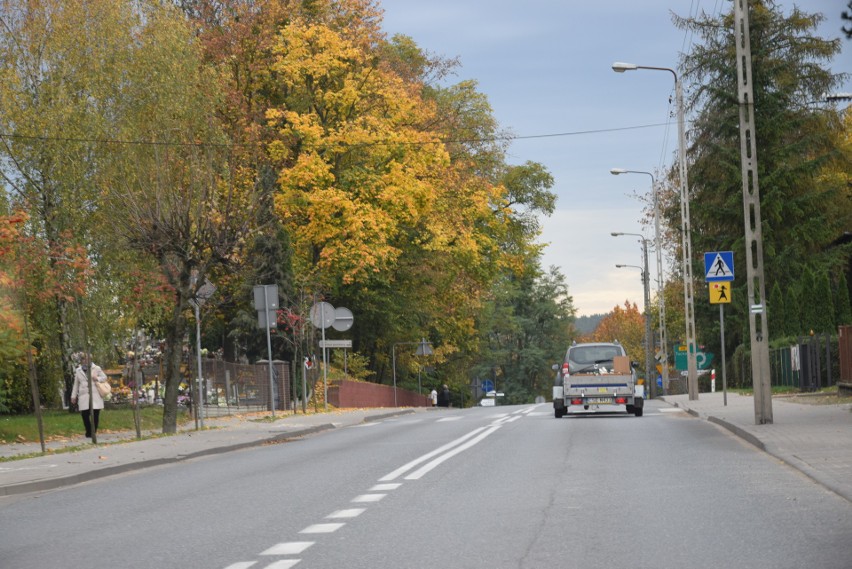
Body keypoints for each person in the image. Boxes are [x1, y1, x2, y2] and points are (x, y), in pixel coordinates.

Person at [71, 354, 108, 439]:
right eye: (83, 359)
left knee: (95, 414)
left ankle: (93, 432)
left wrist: (97, 378)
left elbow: (104, 377)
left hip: (95, 394)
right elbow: (76, 384)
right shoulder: (78, 370)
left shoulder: (96, 368)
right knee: (84, 414)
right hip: (83, 395)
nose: (85, 360)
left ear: (90, 359)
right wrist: (73, 396)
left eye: (87, 359)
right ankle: (88, 430)